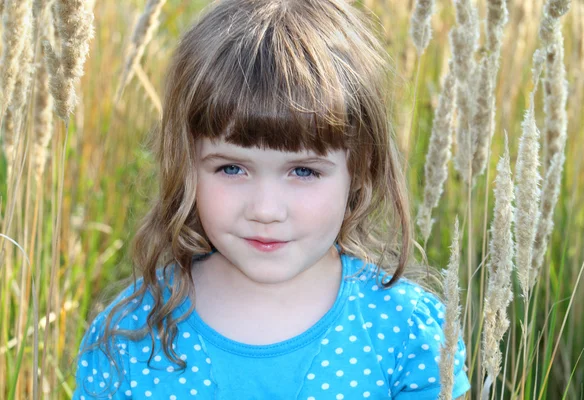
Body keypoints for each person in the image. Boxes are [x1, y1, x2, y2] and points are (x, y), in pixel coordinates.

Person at [73, 0, 470, 398]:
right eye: (231, 168)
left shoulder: (406, 332)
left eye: (303, 172)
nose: (265, 210)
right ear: (186, 163)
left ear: (361, 168)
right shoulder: (129, 335)